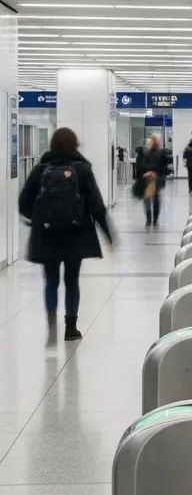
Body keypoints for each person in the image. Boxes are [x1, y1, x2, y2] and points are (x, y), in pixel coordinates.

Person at [18, 126, 113, 343]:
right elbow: (96, 205)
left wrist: (40, 218)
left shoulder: (40, 169)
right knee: (72, 281)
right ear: (74, 144)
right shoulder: (82, 169)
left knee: (51, 281)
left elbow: (24, 203)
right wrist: (108, 235)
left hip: (47, 235)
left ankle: (51, 326)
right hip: (75, 234)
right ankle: (71, 328)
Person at [136, 134, 169, 227]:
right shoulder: (156, 152)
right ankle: (153, 219)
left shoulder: (151, 152)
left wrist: (148, 172)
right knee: (155, 199)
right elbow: (164, 167)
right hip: (154, 179)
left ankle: (150, 219)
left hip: (151, 179)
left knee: (148, 199)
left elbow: (141, 165)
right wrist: (153, 172)